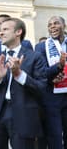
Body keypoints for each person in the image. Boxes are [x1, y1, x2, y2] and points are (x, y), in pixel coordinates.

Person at [0, 17, 46, 149]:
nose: (0, 33)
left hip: (23, 115)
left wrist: (19, 75)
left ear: (18, 32)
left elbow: (41, 89)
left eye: (5, 29)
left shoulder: (35, 57)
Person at [35, 16, 67, 149]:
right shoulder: (41, 47)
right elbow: (40, 73)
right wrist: (58, 66)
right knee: (55, 136)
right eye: (49, 25)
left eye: (56, 23)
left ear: (64, 25)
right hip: (52, 97)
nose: (52, 26)